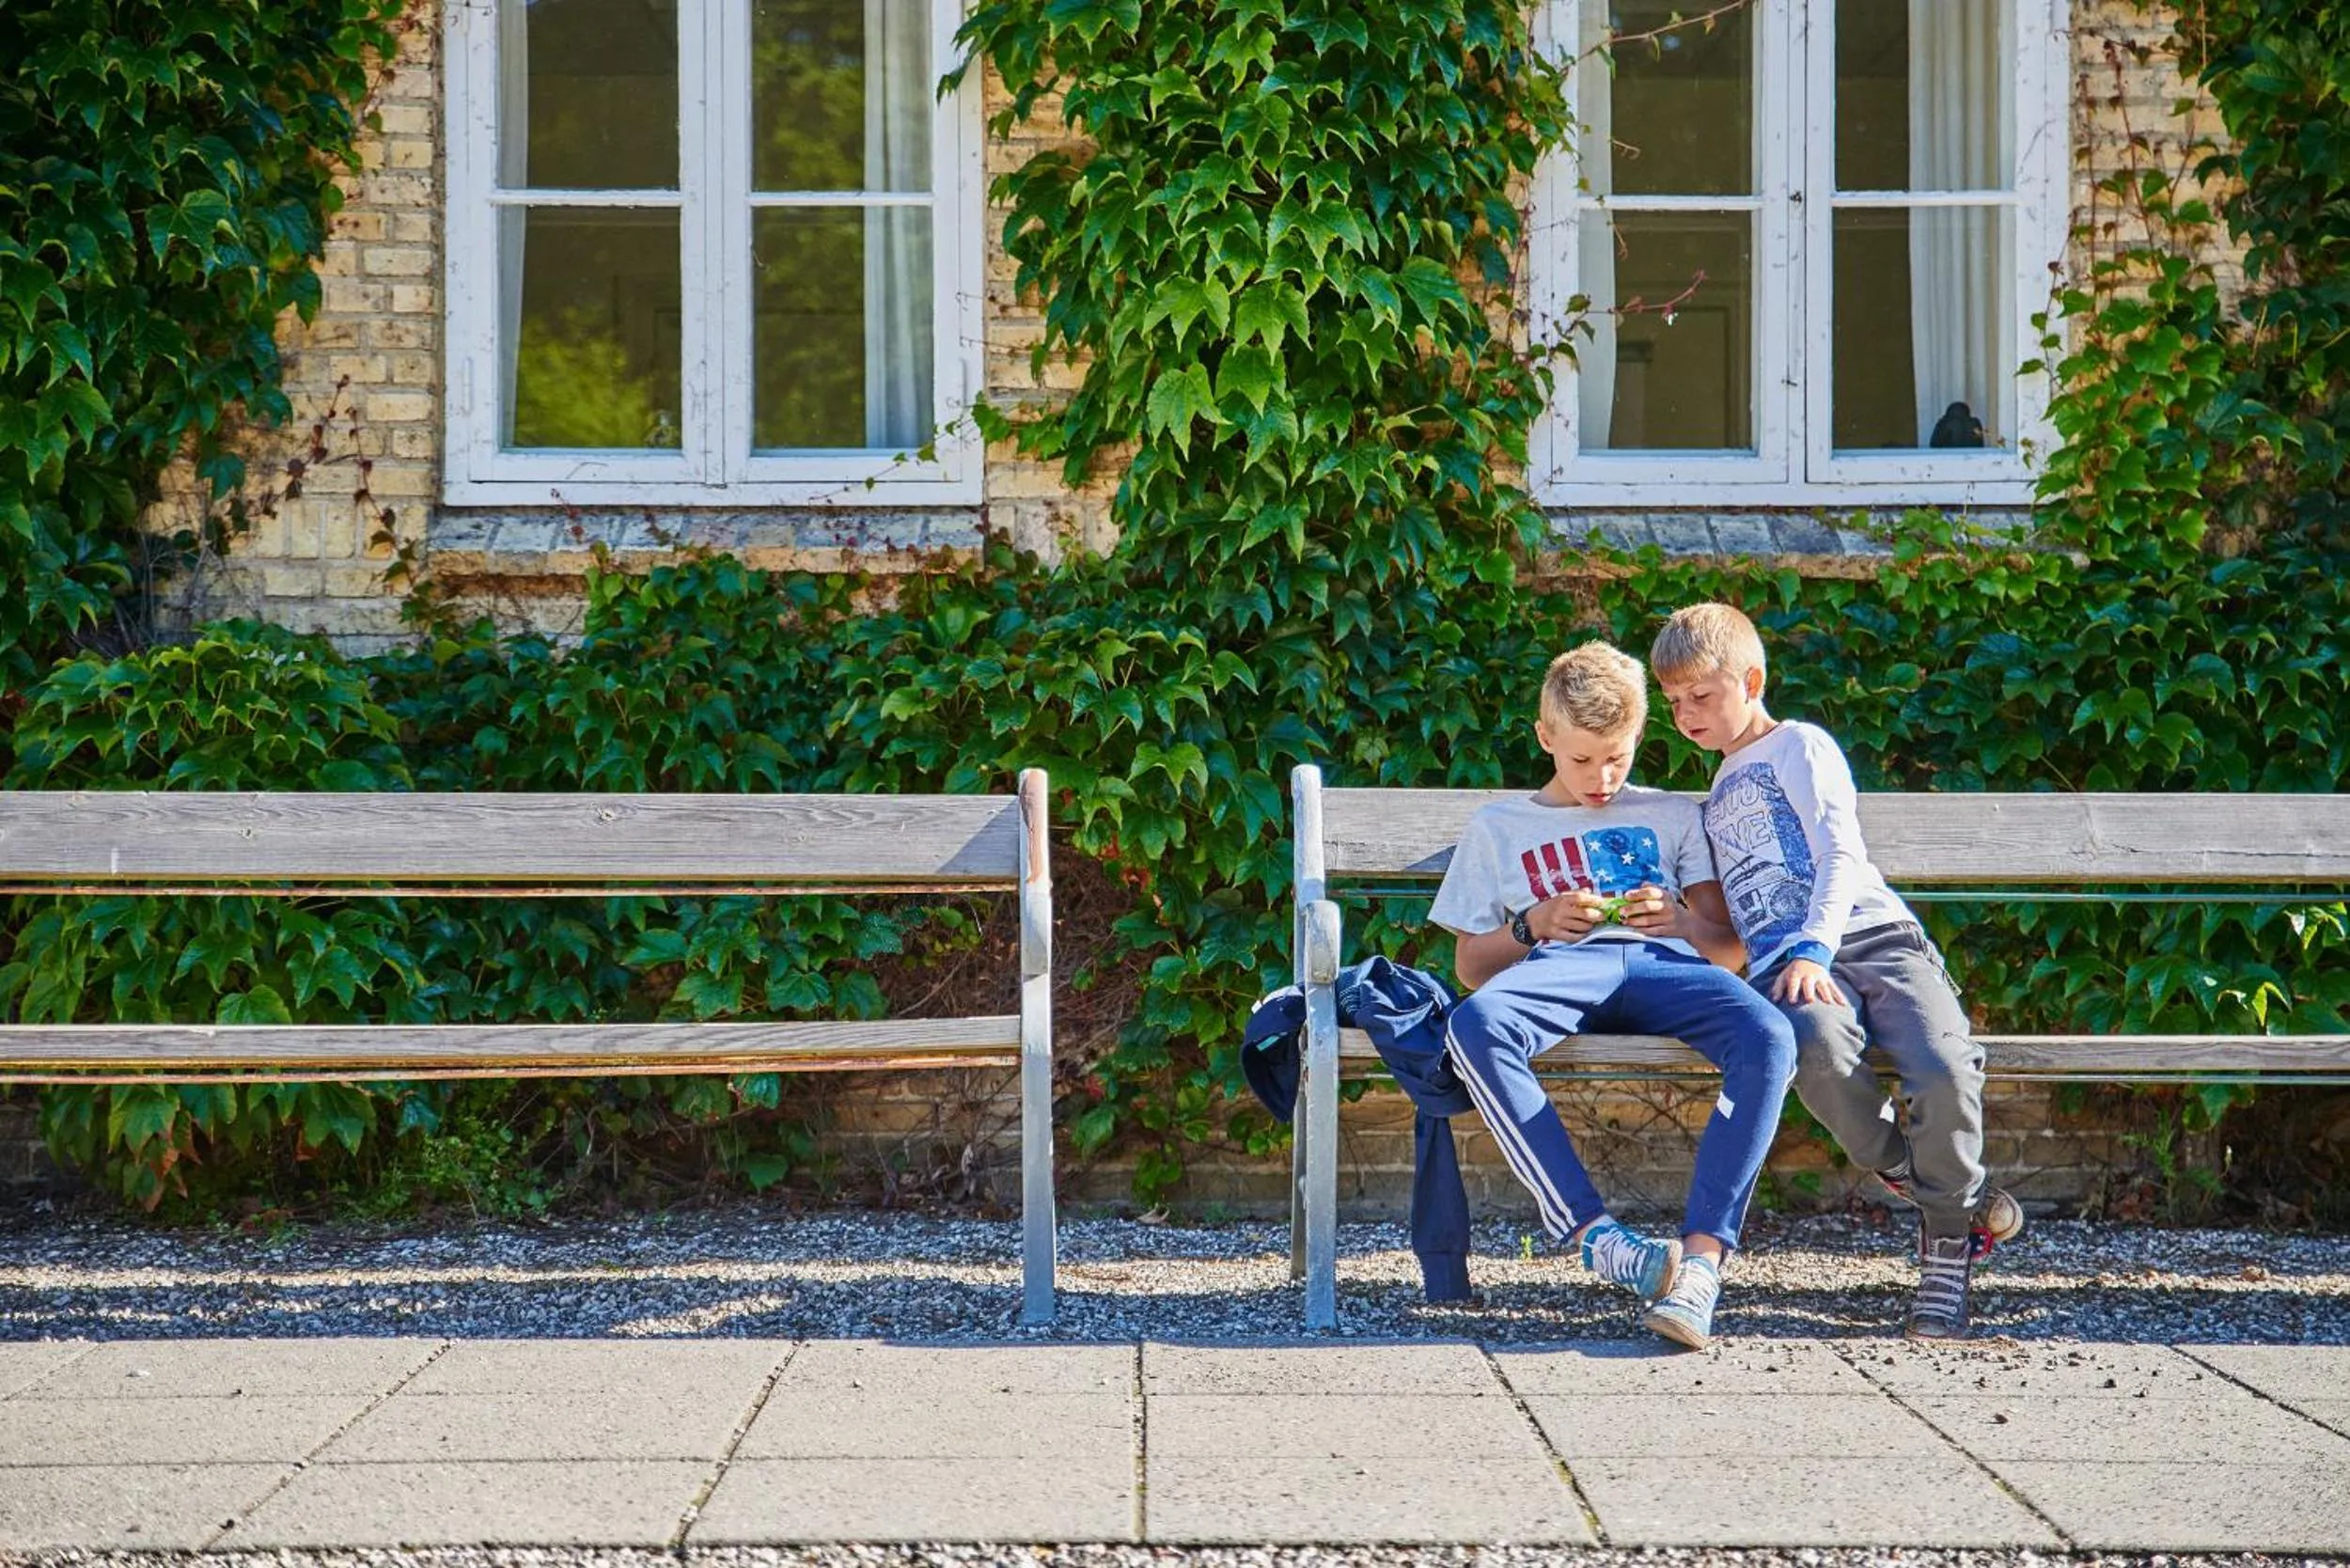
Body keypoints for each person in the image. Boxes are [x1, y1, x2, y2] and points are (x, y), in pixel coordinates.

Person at [1650, 602, 2024, 1340]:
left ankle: (1946, 1248)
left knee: (1944, 1068)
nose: (1685, 714)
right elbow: (1728, 928)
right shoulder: (1710, 801)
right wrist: (1679, 925)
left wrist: (1815, 948)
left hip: (1872, 938)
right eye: (1673, 702)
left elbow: (1839, 851)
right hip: (1785, 968)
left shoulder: (1799, 745)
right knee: (1812, 1052)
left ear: (1751, 680)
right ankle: (1949, 1195)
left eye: (1702, 695)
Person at [1430, 641, 1796, 1350]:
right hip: (1557, 971)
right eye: (1580, 759)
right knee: (1475, 1025)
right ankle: (1599, 1239)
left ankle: (1699, 1271)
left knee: (1771, 1035)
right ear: (1545, 738)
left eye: (1618, 758)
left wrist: (1684, 922)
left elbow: (1728, 951)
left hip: (1664, 965)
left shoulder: (1673, 815)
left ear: (1638, 740)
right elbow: (1472, 967)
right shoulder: (1499, 827)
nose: (1601, 779)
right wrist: (1532, 925)